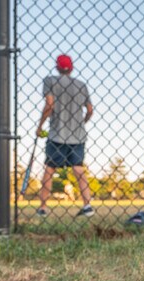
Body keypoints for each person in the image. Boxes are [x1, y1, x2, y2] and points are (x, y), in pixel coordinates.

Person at [35, 54, 94, 217]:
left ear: (57, 67)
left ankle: (43, 207)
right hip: (78, 136)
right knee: (78, 169)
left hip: (57, 134)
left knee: (49, 169)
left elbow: (49, 105)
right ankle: (87, 205)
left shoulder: (50, 81)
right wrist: (81, 123)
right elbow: (90, 110)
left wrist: (39, 126)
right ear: (72, 68)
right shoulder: (81, 85)